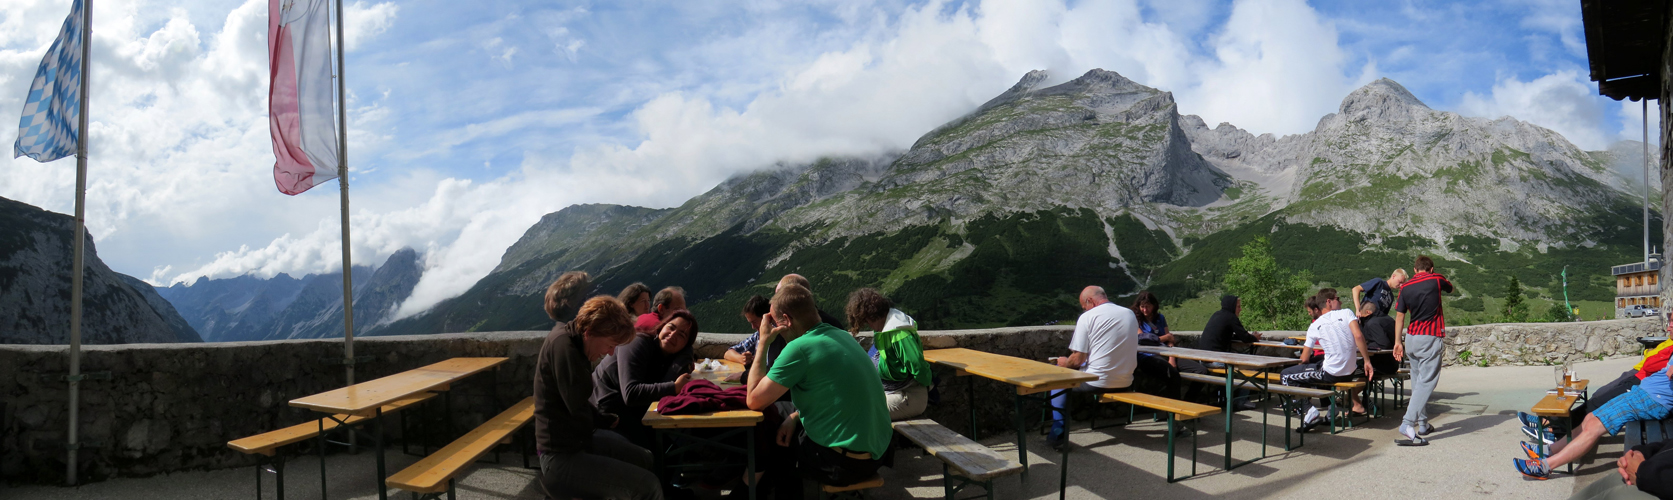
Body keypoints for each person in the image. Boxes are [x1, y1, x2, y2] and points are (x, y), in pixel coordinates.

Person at [746, 284, 890, 499]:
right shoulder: (843, 337)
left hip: (843, 464)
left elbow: (754, 401)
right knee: (783, 415)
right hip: (877, 455)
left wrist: (763, 342)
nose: (774, 328)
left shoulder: (800, 348)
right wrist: (795, 418)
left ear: (786, 320)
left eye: (775, 323)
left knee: (775, 442)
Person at [534, 292, 663, 500]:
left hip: (578, 442)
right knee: (648, 487)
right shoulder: (565, 349)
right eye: (610, 345)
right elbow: (576, 407)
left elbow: (578, 405)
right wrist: (601, 420)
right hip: (560, 456)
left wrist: (603, 419)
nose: (610, 353)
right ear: (590, 332)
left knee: (645, 458)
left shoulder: (574, 341)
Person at [1520, 315, 1673, 444]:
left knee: (1597, 403)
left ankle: (1555, 431)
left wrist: (1651, 355)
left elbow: (1651, 363)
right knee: (1598, 396)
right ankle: (1550, 423)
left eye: (1672, 322)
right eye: (1669, 321)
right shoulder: (1669, 341)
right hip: (1636, 374)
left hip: (1642, 381)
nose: (1668, 327)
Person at [1516, 365, 1673, 480]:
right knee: (1590, 417)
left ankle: (1545, 466)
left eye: (1672, 322)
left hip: (1653, 401)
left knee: (1595, 426)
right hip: (1641, 393)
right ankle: (1549, 450)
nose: (1669, 327)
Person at [1046, 286, 1139, 451]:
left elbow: (1077, 359)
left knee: (1057, 383)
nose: (1084, 309)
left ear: (1090, 301)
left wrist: (1063, 362)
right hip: (1127, 381)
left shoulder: (1087, 317)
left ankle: (1058, 434)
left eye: (1084, 305)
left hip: (1098, 381)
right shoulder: (1129, 313)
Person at [592, 310, 697, 448]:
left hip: (631, 410)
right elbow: (631, 394)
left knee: (673, 441)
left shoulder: (665, 355)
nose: (673, 335)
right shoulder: (637, 342)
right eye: (671, 327)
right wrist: (674, 387)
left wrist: (686, 355)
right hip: (606, 410)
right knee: (659, 448)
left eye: (682, 335)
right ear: (662, 326)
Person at [1281, 289, 1373, 431]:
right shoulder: (1347, 313)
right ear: (1329, 302)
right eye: (1338, 298)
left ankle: (1308, 410)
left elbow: (1304, 358)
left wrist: (1303, 366)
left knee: (1286, 375)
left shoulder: (1315, 325)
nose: (1341, 301)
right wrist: (1367, 361)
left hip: (1331, 373)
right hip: (1350, 372)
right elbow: (1358, 336)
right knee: (1318, 365)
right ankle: (1332, 410)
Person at [845, 288, 933, 420]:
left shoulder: (899, 333)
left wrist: (927, 385)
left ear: (871, 317)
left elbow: (918, 366)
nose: (869, 326)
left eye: (867, 322)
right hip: (892, 390)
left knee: (861, 413)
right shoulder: (885, 329)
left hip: (909, 395)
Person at [1394, 255, 1453, 445]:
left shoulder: (1404, 287)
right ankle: (1407, 424)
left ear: (1414, 270)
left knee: (1418, 382)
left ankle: (1423, 423)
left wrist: (1398, 342)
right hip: (1429, 338)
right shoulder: (1436, 279)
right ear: (1431, 268)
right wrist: (1436, 275)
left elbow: (1400, 317)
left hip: (1411, 339)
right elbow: (1450, 288)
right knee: (1427, 382)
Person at [1565, 438, 1673, 499]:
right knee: (1606, 484)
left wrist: (1643, 472)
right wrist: (1639, 453)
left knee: (1613, 496)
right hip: (1653, 470)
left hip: (1661, 485)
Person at [1130, 291, 1182, 399]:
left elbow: (1170, 340)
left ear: (1154, 306)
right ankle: (1173, 412)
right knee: (1172, 375)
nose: (1145, 310)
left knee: (1200, 370)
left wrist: (1172, 358)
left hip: (1166, 352)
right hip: (1146, 356)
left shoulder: (1160, 318)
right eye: (1142, 307)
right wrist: (1166, 337)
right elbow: (1142, 339)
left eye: (1148, 307)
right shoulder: (1135, 319)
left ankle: (1187, 405)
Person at [724, 295, 772, 365]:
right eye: (751, 323)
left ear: (767, 317)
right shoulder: (757, 336)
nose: (753, 327)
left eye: (755, 322)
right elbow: (728, 353)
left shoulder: (779, 339)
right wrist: (741, 358)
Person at [1356, 300, 1400, 376]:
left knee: (1349, 372)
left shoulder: (1372, 323)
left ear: (1368, 312)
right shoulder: (1388, 319)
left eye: (1362, 317)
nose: (1361, 320)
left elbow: (1384, 344)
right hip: (1393, 363)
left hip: (1381, 365)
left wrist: (1364, 345)